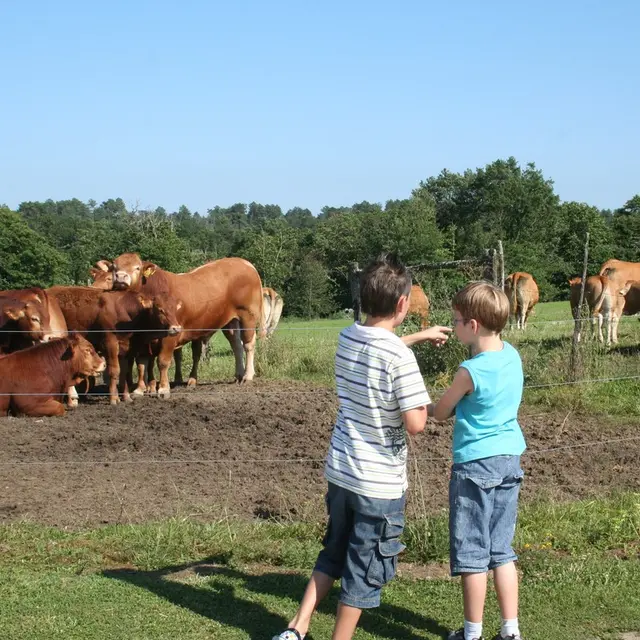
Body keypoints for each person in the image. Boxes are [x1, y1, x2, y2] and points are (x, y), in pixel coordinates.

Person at [271, 253, 451, 640]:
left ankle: (296, 628)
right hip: (378, 484)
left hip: (341, 471)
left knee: (333, 551)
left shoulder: (348, 335)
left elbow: (378, 347)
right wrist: (438, 406)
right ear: (403, 304)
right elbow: (416, 423)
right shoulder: (400, 358)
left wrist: (418, 337)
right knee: (364, 568)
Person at [428, 281, 526, 640]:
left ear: (473, 325)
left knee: (471, 553)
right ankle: (510, 630)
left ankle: (471, 633)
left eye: (455, 320)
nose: (452, 326)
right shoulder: (512, 355)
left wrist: (424, 406)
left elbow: (440, 411)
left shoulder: (469, 371)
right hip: (509, 460)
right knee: (501, 551)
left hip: (474, 466)